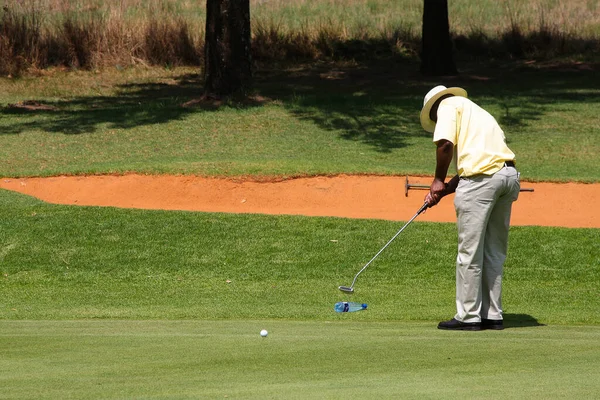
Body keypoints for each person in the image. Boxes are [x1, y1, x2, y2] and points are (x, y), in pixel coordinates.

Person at [420, 85, 520, 331]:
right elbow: (472, 167)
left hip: (482, 182)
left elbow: (445, 145)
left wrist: (436, 181)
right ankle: (492, 315)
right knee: (494, 251)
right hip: (508, 177)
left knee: (469, 252)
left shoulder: (445, 106)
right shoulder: (477, 112)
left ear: (433, 108)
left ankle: (468, 316)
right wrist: (444, 190)